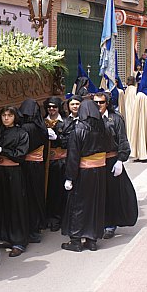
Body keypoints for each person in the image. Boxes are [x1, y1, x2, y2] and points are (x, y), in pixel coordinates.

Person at [62, 99, 111, 252]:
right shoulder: (104, 128)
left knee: (78, 205)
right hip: (99, 171)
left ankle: (76, 240)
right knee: (96, 204)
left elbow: (73, 156)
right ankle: (92, 240)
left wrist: (69, 177)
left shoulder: (78, 130)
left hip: (83, 172)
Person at [93, 93, 137, 240]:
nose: (98, 105)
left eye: (101, 102)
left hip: (111, 160)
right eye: (96, 102)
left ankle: (110, 224)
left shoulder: (115, 118)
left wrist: (120, 160)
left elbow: (122, 139)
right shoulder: (90, 118)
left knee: (112, 194)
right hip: (95, 162)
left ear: (107, 103)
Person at [0, 106, 30, 257]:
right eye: (4, 115)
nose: (6, 118)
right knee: (2, 205)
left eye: (9, 115)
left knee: (16, 205)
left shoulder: (21, 133)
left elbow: (20, 155)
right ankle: (5, 236)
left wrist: (3, 151)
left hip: (14, 172)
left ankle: (19, 241)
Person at [18, 98, 48, 244]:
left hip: (28, 166)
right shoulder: (40, 126)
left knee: (28, 198)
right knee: (37, 197)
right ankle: (37, 227)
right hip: (38, 165)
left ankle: (32, 230)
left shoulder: (26, 128)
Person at [44, 97, 69, 232]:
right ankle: (50, 218)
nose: (52, 109)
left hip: (61, 162)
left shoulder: (65, 122)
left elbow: (68, 141)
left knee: (61, 191)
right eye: (49, 107)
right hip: (47, 163)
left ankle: (61, 218)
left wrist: (57, 138)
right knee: (50, 191)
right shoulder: (43, 121)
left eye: (54, 107)